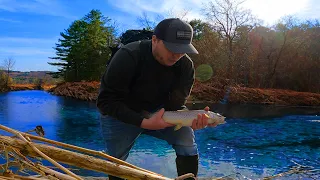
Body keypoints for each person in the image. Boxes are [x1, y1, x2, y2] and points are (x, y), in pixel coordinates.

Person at [96, 18, 220, 179]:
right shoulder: (128, 55)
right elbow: (105, 101)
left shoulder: (185, 66)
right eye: (172, 48)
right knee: (115, 160)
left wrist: (191, 120)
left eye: (183, 49)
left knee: (186, 137)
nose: (177, 54)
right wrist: (145, 122)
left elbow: (176, 105)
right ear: (155, 40)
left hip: (162, 114)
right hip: (121, 114)